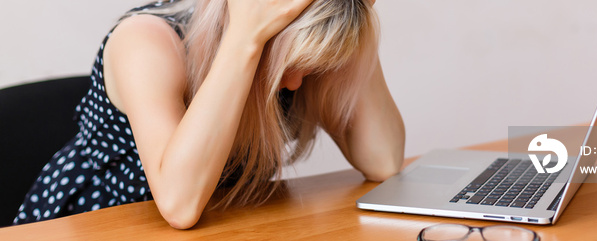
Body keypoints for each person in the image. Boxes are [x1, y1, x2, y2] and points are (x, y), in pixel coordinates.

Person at [13, 0, 405, 229]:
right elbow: (180, 206)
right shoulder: (146, 41)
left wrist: (353, 24)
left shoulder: (292, 67)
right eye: (293, 62)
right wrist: (245, 37)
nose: (297, 83)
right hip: (93, 226)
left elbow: (383, 161)